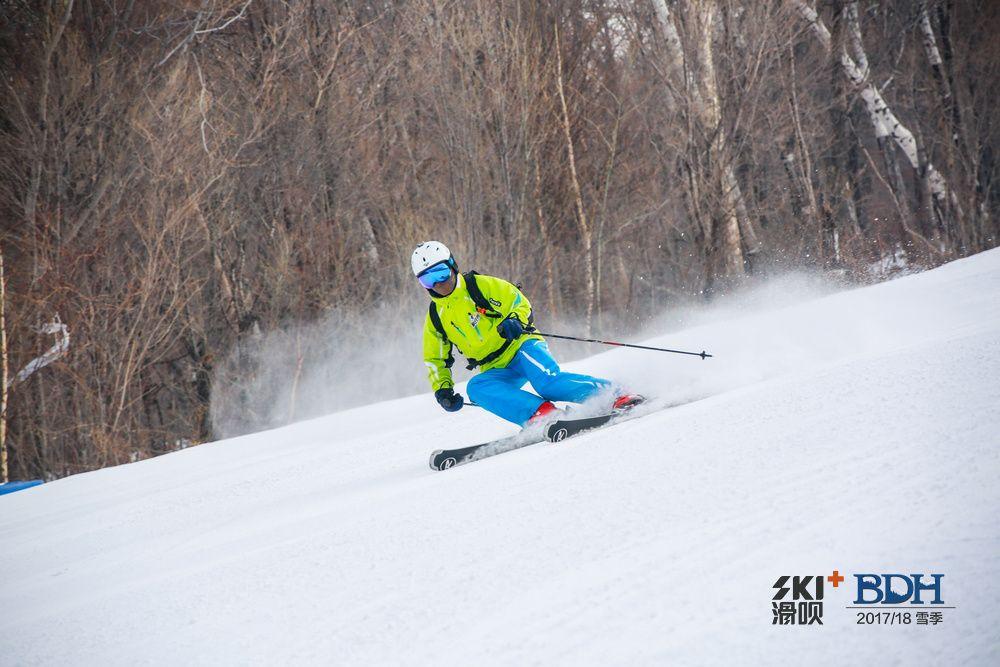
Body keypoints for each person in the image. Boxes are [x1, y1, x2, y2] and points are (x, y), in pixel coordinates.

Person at [412, 241, 641, 426]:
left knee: (548, 384)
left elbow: (519, 302)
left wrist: (514, 320)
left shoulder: (480, 286)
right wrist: (442, 389)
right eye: (427, 279)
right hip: (495, 366)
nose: (437, 283)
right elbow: (435, 359)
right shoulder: (436, 317)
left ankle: (615, 394)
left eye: (440, 273)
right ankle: (542, 414)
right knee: (477, 388)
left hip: (521, 346)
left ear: (452, 266)